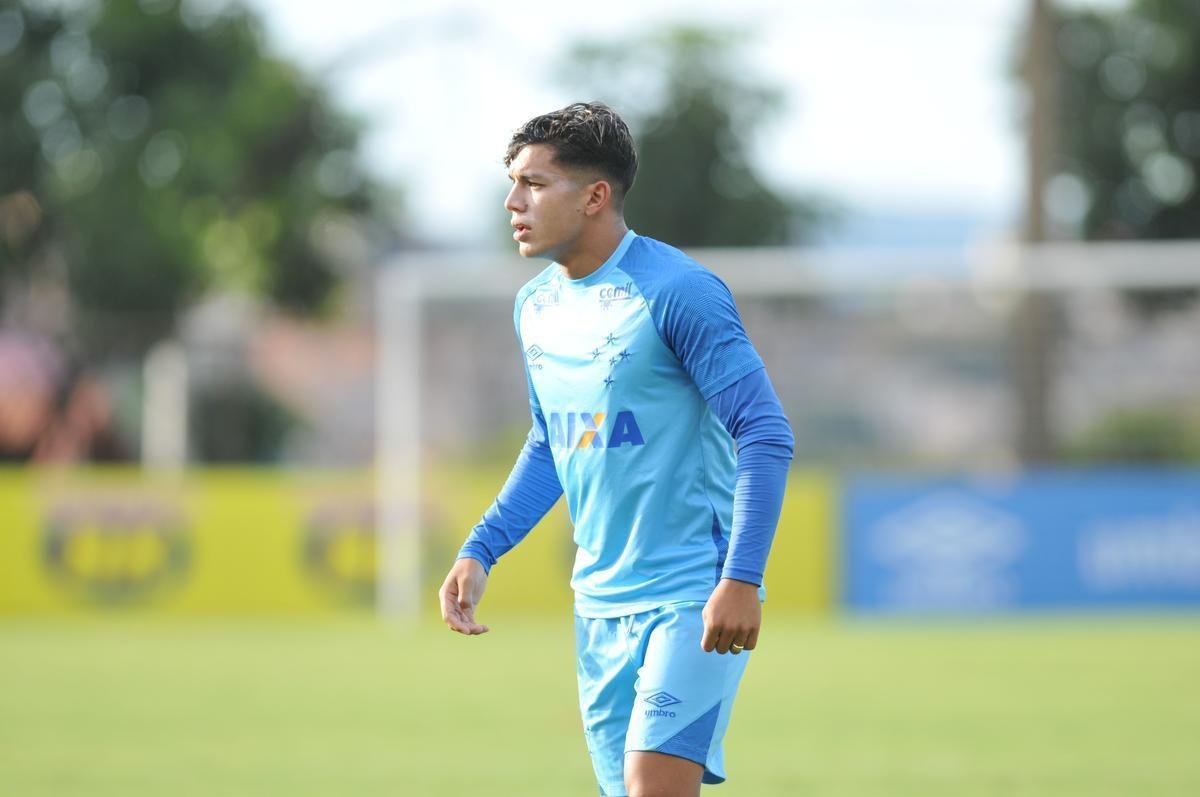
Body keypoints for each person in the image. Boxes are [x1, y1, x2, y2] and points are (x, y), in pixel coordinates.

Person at [438, 102, 794, 797]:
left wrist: (741, 578)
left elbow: (765, 430)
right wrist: (482, 547)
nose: (514, 201)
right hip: (597, 604)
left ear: (596, 195)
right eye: (514, 183)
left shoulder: (679, 291)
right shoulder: (535, 306)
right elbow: (553, 439)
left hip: (692, 595)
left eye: (535, 184)